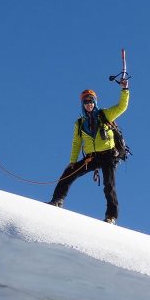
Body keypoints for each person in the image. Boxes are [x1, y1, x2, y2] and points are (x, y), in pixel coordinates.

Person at [47, 78, 130, 224]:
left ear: (95, 102)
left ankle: (111, 216)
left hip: (109, 155)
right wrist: (72, 162)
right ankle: (57, 200)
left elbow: (122, 106)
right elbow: (76, 143)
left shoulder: (105, 115)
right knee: (68, 174)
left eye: (91, 101)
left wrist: (124, 89)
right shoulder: (80, 123)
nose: (89, 104)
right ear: (82, 104)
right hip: (92, 157)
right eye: (86, 102)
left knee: (109, 185)